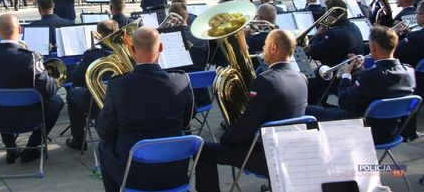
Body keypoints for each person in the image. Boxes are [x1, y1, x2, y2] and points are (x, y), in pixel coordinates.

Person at [195, 30, 308, 191]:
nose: (263, 48)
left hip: (266, 154)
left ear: (274, 48)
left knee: (202, 150)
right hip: (291, 152)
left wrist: (227, 138)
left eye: (265, 45)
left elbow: (248, 125)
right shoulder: (301, 77)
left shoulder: (266, 80)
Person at [97, 27, 194, 191]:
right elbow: (186, 120)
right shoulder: (182, 80)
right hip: (174, 171)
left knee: (103, 146)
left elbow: (105, 131)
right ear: (161, 47)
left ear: (132, 49)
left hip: (133, 173)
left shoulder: (117, 84)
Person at [0, 14, 64, 163]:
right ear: (20, 29)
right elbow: (47, 89)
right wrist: (53, 79)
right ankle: (32, 146)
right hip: (29, 114)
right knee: (56, 103)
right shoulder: (30, 57)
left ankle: (10, 146)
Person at [306, 26, 415, 143]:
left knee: (309, 111)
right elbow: (379, 85)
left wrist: (346, 74)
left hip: (364, 130)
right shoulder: (409, 71)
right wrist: (361, 71)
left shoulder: (370, 76)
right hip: (390, 132)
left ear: (373, 47)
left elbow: (344, 102)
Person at [66, 19, 119, 150]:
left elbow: (76, 80)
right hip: (120, 101)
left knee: (72, 94)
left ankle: (78, 139)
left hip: (96, 104)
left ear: (100, 35)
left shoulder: (92, 54)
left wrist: (82, 63)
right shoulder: (126, 52)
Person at [306, 0, 364, 105]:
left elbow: (314, 52)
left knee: (307, 81)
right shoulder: (354, 27)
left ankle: (315, 108)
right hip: (350, 73)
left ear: (332, 15)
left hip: (334, 77)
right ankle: (322, 103)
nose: (325, 16)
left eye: (326, 13)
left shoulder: (334, 34)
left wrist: (318, 34)